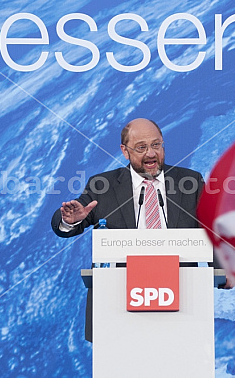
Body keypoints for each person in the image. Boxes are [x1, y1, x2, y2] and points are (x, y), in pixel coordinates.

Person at [51, 118, 207, 342]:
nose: (151, 154)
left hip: (183, 302)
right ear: (125, 151)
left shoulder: (190, 181)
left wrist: (225, 270)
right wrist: (70, 219)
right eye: (142, 147)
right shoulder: (102, 186)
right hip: (115, 307)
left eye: (156, 145)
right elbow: (63, 227)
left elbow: (214, 230)